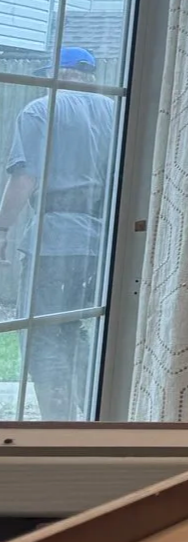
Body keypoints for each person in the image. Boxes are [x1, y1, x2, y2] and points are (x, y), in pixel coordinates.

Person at [0, 48, 118, 420]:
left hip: (54, 241)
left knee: (42, 339)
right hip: (100, 243)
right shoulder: (114, 112)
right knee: (74, 333)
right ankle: (98, 420)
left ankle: (57, 428)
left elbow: (25, 177)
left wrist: (2, 229)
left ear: (57, 72)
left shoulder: (40, 108)